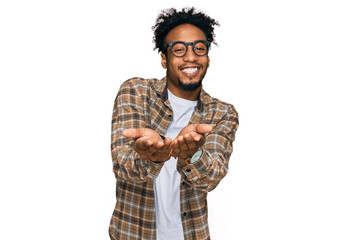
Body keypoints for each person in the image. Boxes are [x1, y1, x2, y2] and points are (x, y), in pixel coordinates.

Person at [109, 7, 239, 240]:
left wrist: (193, 155)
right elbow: (123, 167)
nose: (191, 57)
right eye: (179, 49)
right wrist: (150, 156)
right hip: (132, 233)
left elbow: (212, 178)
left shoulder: (222, 113)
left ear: (207, 58)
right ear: (164, 58)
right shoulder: (136, 92)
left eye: (199, 48)